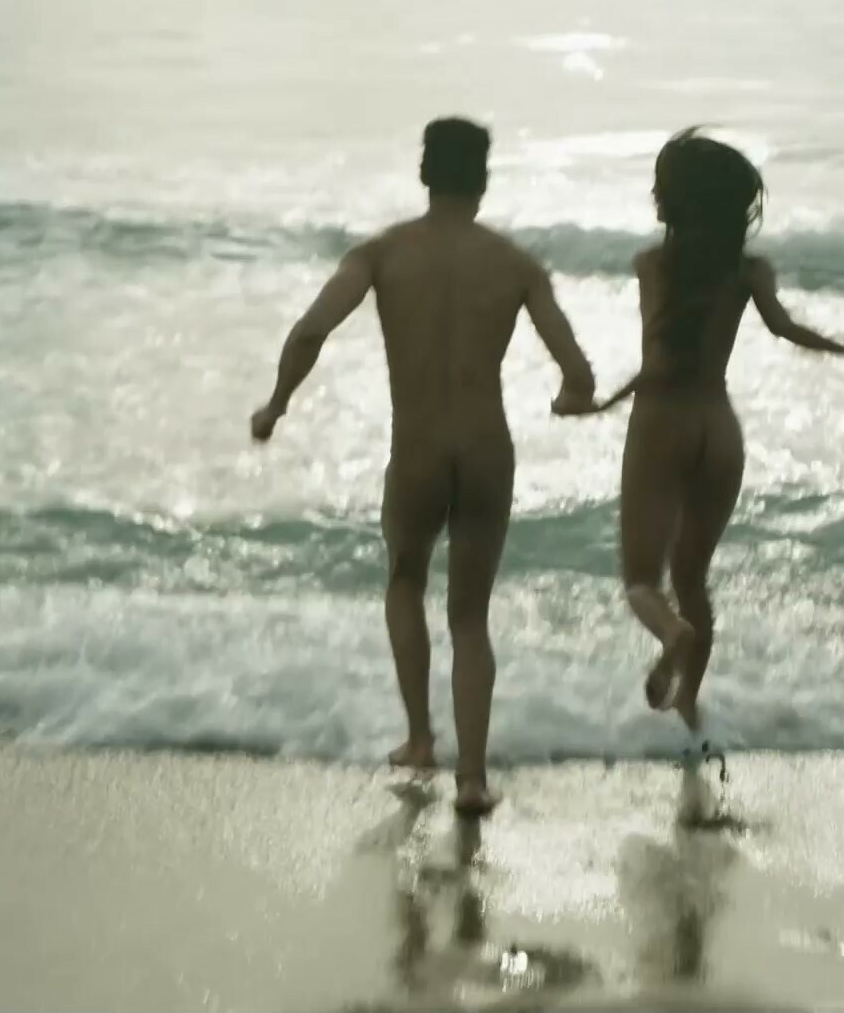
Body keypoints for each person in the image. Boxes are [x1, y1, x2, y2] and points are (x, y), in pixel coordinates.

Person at [251, 117, 599, 815]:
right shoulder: (515, 264)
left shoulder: (381, 254)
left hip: (417, 451)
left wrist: (277, 405)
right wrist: (571, 398)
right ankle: (472, 778)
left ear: (423, 173)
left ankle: (419, 739)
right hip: (486, 450)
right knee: (470, 616)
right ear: (483, 179)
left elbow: (311, 329)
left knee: (405, 581)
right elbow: (577, 370)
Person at [557, 128, 844, 733]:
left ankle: (672, 636)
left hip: (661, 421)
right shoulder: (748, 271)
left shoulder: (652, 265)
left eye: (659, 186)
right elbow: (787, 330)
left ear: (673, 201)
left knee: (642, 580)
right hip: (718, 428)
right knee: (692, 578)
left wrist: (602, 404)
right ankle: (689, 708)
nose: (653, 194)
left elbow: (662, 360)